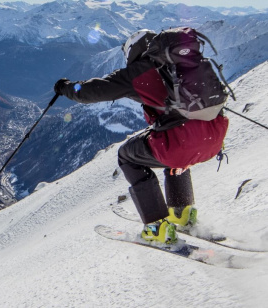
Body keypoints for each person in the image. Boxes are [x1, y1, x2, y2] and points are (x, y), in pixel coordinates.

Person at [54, 29, 229, 244]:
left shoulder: (138, 73)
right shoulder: (184, 65)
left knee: (127, 156)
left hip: (180, 144)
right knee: (171, 151)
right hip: (213, 138)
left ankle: (156, 227)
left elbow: (90, 91)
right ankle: (181, 213)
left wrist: (66, 87)